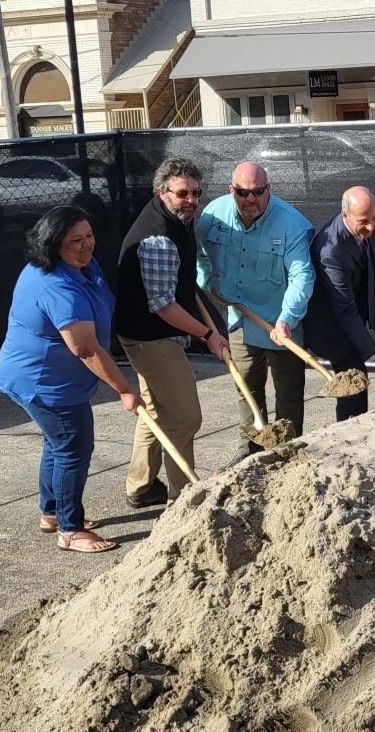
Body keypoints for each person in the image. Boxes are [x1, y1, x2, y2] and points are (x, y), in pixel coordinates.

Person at [0, 206, 142, 553]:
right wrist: (124, 389)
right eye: (74, 240)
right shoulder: (57, 286)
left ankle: (52, 513)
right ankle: (70, 529)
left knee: (57, 443)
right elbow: (86, 349)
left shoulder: (80, 266)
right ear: (53, 244)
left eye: (88, 235)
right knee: (73, 448)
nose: (86, 245)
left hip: (43, 377)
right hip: (45, 383)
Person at [115, 158, 228, 509]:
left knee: (156, 409)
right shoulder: (158, 239)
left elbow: (177, 284)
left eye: (195, 193)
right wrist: (208, 335)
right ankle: (182, 498)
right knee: (183, 417)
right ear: (163, 192)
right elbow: (163, 305)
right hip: (151, 337)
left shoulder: (175, 221)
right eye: (182, 194)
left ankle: (139, 485)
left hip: (145, 329)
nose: (191, 200)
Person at [196, 162, 314, 453]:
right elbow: (199, 253)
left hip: (280, 322)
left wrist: (288, 319)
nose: (251, 199)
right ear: (231, 190)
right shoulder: (213, 215)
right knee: (246, 388)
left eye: (258, 192)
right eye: (243, 192)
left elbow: (302, 276)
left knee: (288, 392)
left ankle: (287, 451)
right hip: (240, 320)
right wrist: (208, 281)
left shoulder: (291, 224)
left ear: (268, 190)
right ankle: (250, 451)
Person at [303, 187, 375, 421]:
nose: (371, 227)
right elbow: (345, 311)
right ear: (345, 215)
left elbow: (373, 263)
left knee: (357, 378)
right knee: (354, 378)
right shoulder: (330, 251)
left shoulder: (368, 225)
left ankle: (355, 426)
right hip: (329, 326)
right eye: (364, 222)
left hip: (351, 314)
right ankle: (349, 434)